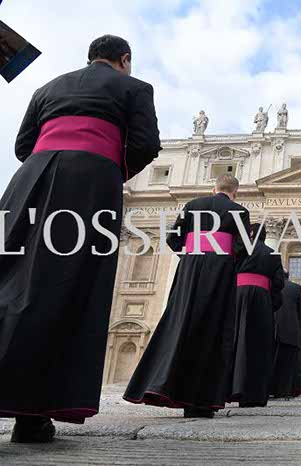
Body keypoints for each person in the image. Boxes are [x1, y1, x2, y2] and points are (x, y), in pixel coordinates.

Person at [0, 35, 160, 443]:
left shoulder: (47, 87)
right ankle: (32, 412)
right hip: (89, 184)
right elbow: (145, 144)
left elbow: (22, 145)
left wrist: (49, 162)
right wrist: (107, 168)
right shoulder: (135, 87)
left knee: (9, 274)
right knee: (66, 286)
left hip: (30, 179)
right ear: (125, 59)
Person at [124, 174, 248, 418]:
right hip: (220, 269)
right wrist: (225, 261)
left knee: (180, 322)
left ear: (214, 188)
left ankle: (162, 386)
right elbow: (243, 246)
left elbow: (173, 238)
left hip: (190, 267)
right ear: (235, 192)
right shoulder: (240, 211)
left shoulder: (193, 205)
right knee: (213, 328)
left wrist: (191, 255)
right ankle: (202, 400)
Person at [229, 224, 285, 407]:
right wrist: (272, 301)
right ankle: (255, 395)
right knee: (260, 344)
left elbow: (228, 270)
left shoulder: (240, 249)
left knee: (235, 340)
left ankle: (231, 389)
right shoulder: (272, 254)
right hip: (261, 298)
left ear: (251, 233)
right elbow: (279, 283)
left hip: (237, 295)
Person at [270, 270, 301, 398]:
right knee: (288, 363)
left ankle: (270, 389)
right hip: (290, 329)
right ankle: (285, 390)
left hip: (272, 328)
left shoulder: (270, 286)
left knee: (272, 360)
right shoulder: (296, 288)